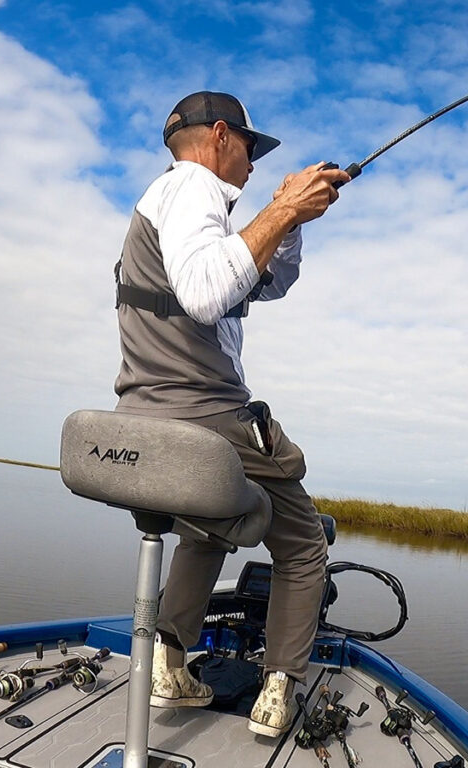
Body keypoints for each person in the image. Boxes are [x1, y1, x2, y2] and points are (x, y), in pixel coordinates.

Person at [113, 91, 350, 737]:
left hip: (146, 414)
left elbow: (267, 282)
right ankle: (278, 690)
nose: (251, 165)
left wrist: (290, 221)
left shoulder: (173, 205)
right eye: (249, 147)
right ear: (219, 136)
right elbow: (205, 292)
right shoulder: (192, 188)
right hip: (206, 412)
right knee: (303, 549)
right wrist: (281, 206)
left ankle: (167, 659)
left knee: (216, 523)